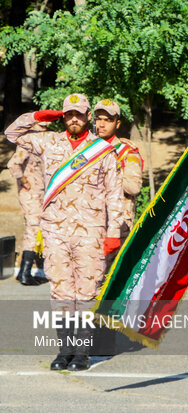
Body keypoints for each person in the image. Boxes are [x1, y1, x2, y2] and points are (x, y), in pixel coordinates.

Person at [4, 93, 124, 371]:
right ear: (63, 116)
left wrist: (113, 232)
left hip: (91, 232)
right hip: (55, 230)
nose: (73, 119)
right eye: (68, 114)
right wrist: (37, 117)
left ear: (87, 117)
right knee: (60, 290)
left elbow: (115, 194)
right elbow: (11, 133)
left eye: (78, 114)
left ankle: (81, 353)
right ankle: (64, 351)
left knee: (87, 291)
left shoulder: (102, 150)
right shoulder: (49, 142)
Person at [93, 99, 143, 245]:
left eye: (108, 120)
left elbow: (133, 188)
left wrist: (110, 171)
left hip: (118, 225)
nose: (101, 124)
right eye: (98, 119)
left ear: (117, 124)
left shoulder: (127, 151)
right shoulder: (87, 150)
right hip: (89, 223)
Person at [8, 142, 46, 285]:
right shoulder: (27, 142)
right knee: (33, 228)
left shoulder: (41, 141)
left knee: (36, 229)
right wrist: (24, 181)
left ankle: (24, 272)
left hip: (40, 192)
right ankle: (25, 273)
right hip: (31, 193)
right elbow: (13, 164)